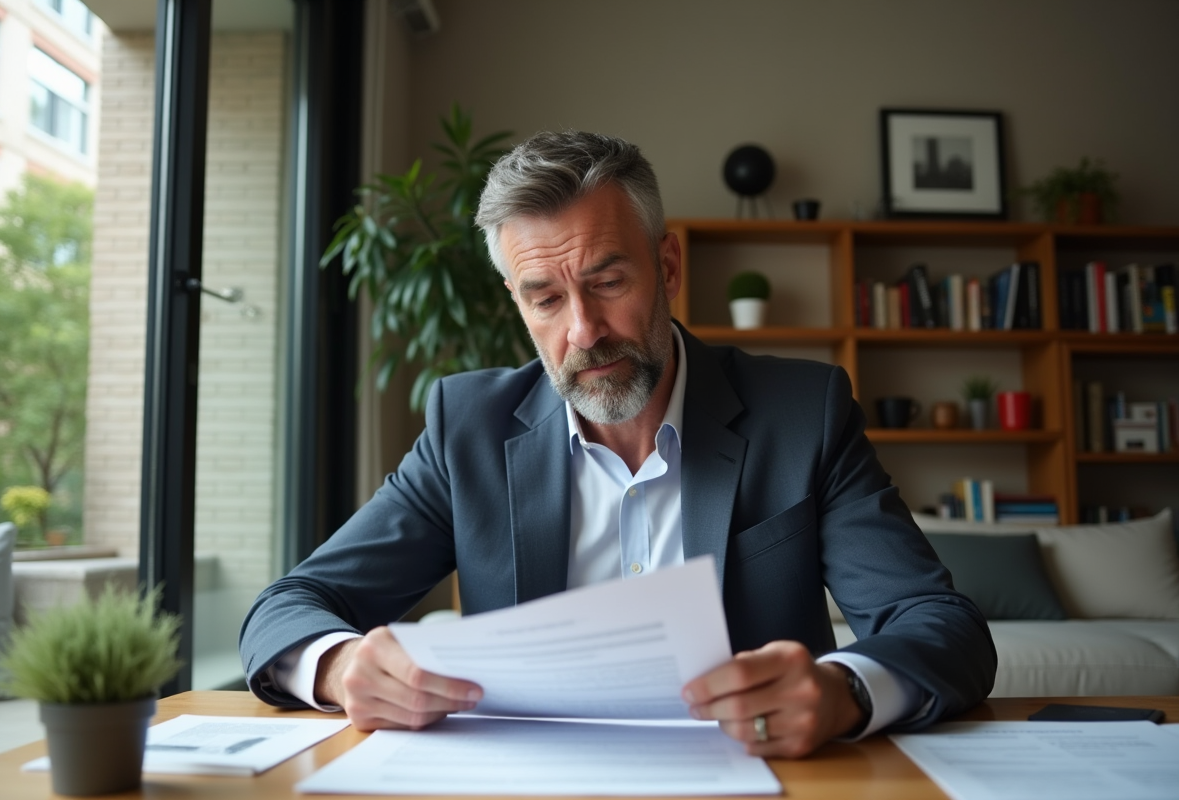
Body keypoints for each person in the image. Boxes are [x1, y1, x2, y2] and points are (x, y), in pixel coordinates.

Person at [240, 130, 995, 758]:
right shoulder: (467, 428)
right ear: (518, 303)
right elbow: (289, 606)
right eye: (545, 298)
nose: (583, 331)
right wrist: (339, 666)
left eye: (607, 283)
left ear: (667, 267)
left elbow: (941, 624)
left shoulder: (802, 413)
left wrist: (844, 690)